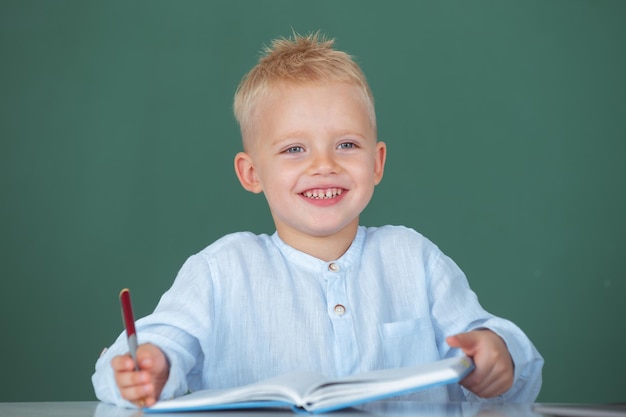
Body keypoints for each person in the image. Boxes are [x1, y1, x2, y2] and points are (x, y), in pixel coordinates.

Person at [92, 32, 543, 408]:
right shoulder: (221, 270)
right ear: (251, 174)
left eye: (346, 145)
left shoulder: (413, 258)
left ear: (377, 162)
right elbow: (136, 357)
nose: (323, 165)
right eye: (294, 149)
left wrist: (500, 355)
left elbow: (503, 353)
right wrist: (150, 367)